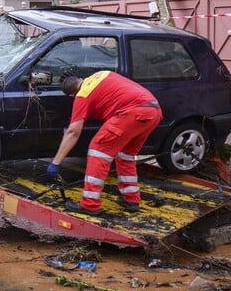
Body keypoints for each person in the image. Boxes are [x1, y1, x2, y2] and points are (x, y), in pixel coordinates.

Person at [47, 70, 163, 215]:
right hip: (154, 112)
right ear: (80, 79)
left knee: (98, 150)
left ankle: (90, 204)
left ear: (72, 95)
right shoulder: (102, 74)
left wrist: (56, 163)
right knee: (125, 154)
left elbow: (73, 132)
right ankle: (131, 199)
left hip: (131, 112)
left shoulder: (82, 95)